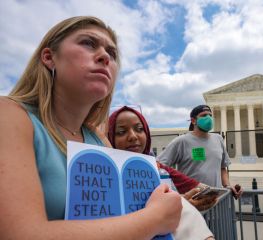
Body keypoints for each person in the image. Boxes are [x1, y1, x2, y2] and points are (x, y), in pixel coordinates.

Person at [0, 16, 182, 239]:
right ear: (49, 57)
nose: (105, 56)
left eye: (112, 54)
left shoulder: (97, 139)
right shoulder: (10, 115)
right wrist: (154, 219)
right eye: (88, 43)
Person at [107, 106, 216, 239]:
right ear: (110, 137)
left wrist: (183, 202)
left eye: (139, 129)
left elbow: (187, 184)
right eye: (121, 132)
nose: (133, 136)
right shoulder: (104, 176)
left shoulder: (157, 168)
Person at [158, 104, 243, 199]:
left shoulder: (218, 139)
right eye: (204, 115)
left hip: (216, 201)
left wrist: (227, 185)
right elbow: (159, 166)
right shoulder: (182, 141)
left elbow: (222, 168)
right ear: (193, 121)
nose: (208, 118)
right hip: (193, 202)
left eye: (210, 115)